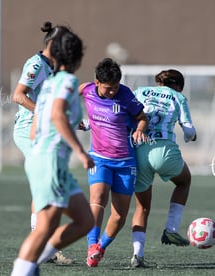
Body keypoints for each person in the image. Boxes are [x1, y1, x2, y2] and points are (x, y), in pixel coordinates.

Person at [11, 28, 95, 276]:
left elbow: (39, 124)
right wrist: (80, 152)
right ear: (77, 58)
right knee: (45, 227)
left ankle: (34, 263)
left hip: (46, 158)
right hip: (49, 161)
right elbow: (55, 115)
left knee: (85, 221)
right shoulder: (66, 81)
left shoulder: (50, 84)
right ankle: (24, 270)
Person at [12, 21, 74, 264]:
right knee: (46, 181)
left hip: (42, 130)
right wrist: (45, 112)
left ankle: (40, 243)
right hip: (29, 130)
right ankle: (40, 243)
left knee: (48, 182)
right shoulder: (36, 64)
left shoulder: (52, 67)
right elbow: (18, 95)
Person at [78, 58, 148, 267]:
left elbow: (142, 117)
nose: (112, 91)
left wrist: (139, 129)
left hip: (126, 162)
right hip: (99, 158)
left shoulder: (125, 95)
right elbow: (68, 95)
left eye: (116, 87)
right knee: (98, 197)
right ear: (97, 82)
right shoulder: (87, 90)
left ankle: (101, 247)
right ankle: (91, 245)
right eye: (109, 88)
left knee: (119, 215)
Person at [130, 69, 197, 268]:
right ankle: (171, 229)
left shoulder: (140, 91)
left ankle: (137, 256)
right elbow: (189, 130)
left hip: (139, 150)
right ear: (178, 86)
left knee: (142, 207)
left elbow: (125, 113)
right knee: (184, 182)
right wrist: (191, 137)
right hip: (164, 150)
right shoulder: (178, 97)